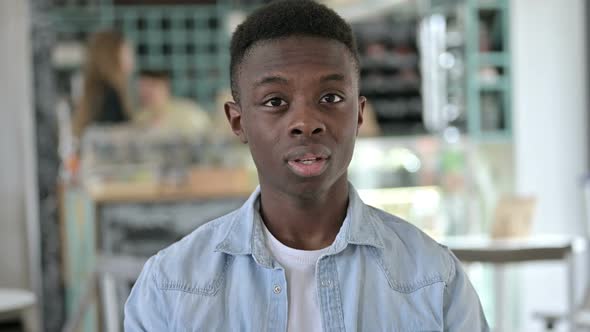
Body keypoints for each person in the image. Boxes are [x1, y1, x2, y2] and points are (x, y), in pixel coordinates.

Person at [124, 1, 489, 331]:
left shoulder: (433, 279)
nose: (305, 121)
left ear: (359, 115)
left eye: (330, 97)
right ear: (238, 123)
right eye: (275, 101)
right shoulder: (171, 286)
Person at [72, 30, 134, 138]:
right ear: (113, 56)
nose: (132, 60)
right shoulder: (110, 94)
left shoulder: (97, 91)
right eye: (127, 53)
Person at [135, 69, 211, 137]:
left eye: (152, 86)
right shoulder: (141, 117)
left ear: (166, 87)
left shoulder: (188, 113)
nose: (146, 92)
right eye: (142, 87)